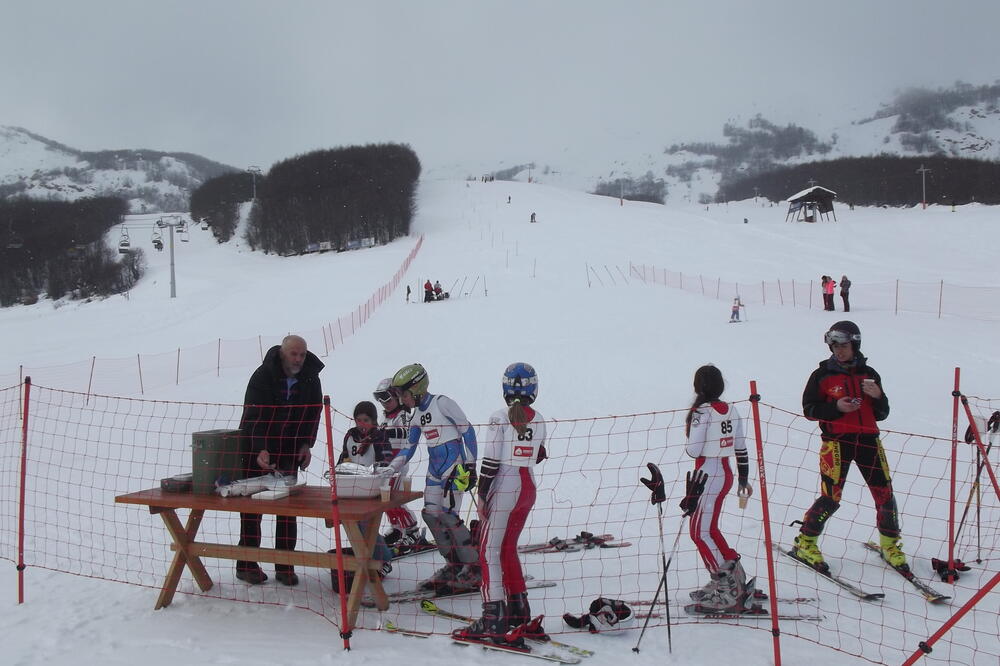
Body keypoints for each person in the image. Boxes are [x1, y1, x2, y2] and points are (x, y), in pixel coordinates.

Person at [790, 321, 907, 573]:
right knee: (831, 496)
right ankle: (805, 541)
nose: (838, 350)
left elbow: (883, 412)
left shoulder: (870, 374)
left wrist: (877, 396)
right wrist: (836, 408)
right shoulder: (821, 376)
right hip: (836, 443)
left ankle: (890, 544)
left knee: (884, 494)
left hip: (868, 442)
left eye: (843, 345)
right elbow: (809, 410)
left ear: (855, 344)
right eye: (834, 346)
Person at [452, 363, 548, 646]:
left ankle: (493, 615)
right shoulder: (540, 418)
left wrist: (482, 494)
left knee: (487, 550)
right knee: (507, 548)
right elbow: (541, 453)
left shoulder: (498, 417)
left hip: (505, 485)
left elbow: (492, 461)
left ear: (505, 388)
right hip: (528, 485)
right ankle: (519, 610)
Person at [382, 363, 480, 593]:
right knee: (430, 514)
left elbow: (468, 431)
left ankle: (474, 568)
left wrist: (471, 465)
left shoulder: (442, 403)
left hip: (454, 468)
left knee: (448, 515)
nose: (402, 400)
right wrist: (390, 468)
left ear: (416, 389)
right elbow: (409, 448)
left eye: (403, 395)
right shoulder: (416, 415)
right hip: (434, 470)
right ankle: (454, 565)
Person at [236, 335, 323, 586]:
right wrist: (260, 448)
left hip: (290, 448)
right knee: (252, 508)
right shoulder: (263, 376)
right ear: (283, 354)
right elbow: (253, 415)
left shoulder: (310, 377)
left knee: (288, 508)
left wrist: (306, 444)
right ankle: (246, 563)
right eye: (294, 354)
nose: (298, 359)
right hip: (257, 446)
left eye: (302, 355)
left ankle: (284, 565)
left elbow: (313, 414)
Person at [683, 365, 753, 610]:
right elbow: (741, 447)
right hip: (726, 473)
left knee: (698, 532)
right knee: (709, 529)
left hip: (707, 475)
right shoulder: (731, 409)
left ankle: (726, 586)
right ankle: (735, 579)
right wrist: (744, 478)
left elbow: (693, 449)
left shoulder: (702, 411)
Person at [332, 400, 394, 591]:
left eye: (366, 420)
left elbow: (386, 461)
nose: (362, 424)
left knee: (367, 526)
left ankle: (383, 560)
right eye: (358, 420)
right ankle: (370, 558)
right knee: (354, 525)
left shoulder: (380, 436)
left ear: (373, 420)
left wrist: (375, 472)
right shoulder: (351, 436)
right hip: (352, 488)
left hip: (373, 488)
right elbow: (344, 457)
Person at [373, 378, 432, 556]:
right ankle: (398, 528)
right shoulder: (385, 416)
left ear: (397, 397)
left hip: (398, 462)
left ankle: (412, 531)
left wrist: (383, 432)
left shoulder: (404, 415)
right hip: (384, 463)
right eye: (380, 399)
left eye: (388, 399)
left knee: (393, 499)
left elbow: (407, 433)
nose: (385, 403)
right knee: (384, 500)